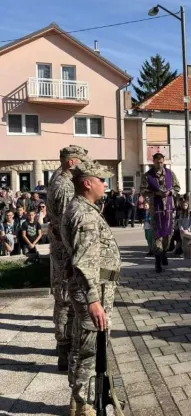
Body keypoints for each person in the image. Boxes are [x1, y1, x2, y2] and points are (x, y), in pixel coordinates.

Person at [61, 160, 120, 416]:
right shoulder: (84, 214)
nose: (105, 184)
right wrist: (94, 300)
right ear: (87, 183)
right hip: (93, 290)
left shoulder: (83, 208)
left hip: (90, 288)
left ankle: (78, 399)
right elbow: (84, 262)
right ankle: (84, 404)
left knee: (82, 345)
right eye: (101, 180)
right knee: (90, 349)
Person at [46, 144, 89, 373]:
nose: (84, 165)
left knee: (63, 300)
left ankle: (63, 347)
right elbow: (66, 226)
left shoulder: (58, 176)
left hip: (60, 249)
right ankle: (64, 351)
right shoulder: (64, 186)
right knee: (65, 301)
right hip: (65, 252)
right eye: (82, 160)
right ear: (72, 161)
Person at [140, 153, 181, 273]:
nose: (160, 164)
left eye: (162, 162)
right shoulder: (147, 176)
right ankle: (157, 262)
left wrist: (170, 192)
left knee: (168, 235)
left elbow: (177, 187)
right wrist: (155, 193)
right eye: (157, 162)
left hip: (168, 210)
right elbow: (142, 191)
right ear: (153, 162)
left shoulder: (170, 173)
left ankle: (164, 253)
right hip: (155, 210)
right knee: (157, 235)